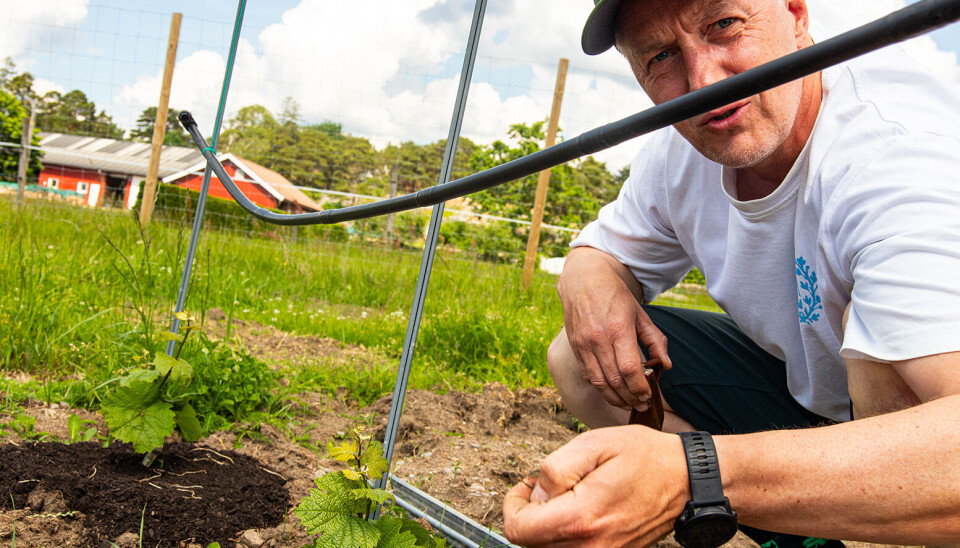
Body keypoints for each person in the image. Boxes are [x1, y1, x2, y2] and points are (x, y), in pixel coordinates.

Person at [502, 0, 960, 546]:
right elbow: (602, 250)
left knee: (885, 371)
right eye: (661, 56)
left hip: (923, 433)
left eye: (723, 25)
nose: (703, 81)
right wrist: (586, 275)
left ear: (796, 14)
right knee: (580, 356)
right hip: (813, 397)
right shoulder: (684, 149)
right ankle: (805, 536)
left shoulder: (894, 157)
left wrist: (695, 475)